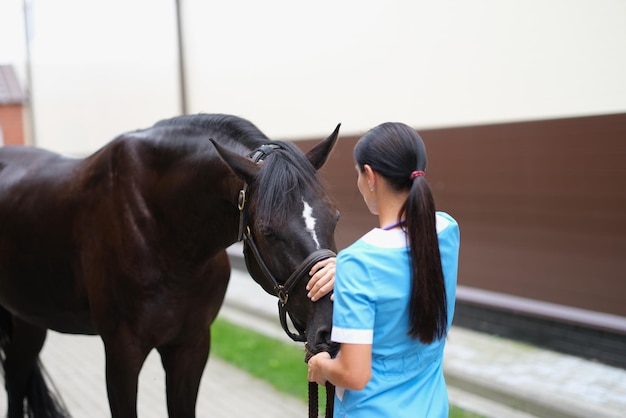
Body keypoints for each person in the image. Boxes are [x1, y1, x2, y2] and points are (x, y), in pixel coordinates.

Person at [305, 122, 460, 417]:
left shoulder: (359, 263)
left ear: (371, 176)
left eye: (357, 173)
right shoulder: (447, 231)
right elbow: (405, 256)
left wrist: (320, 364)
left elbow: (354, 374)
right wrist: (348, 271)